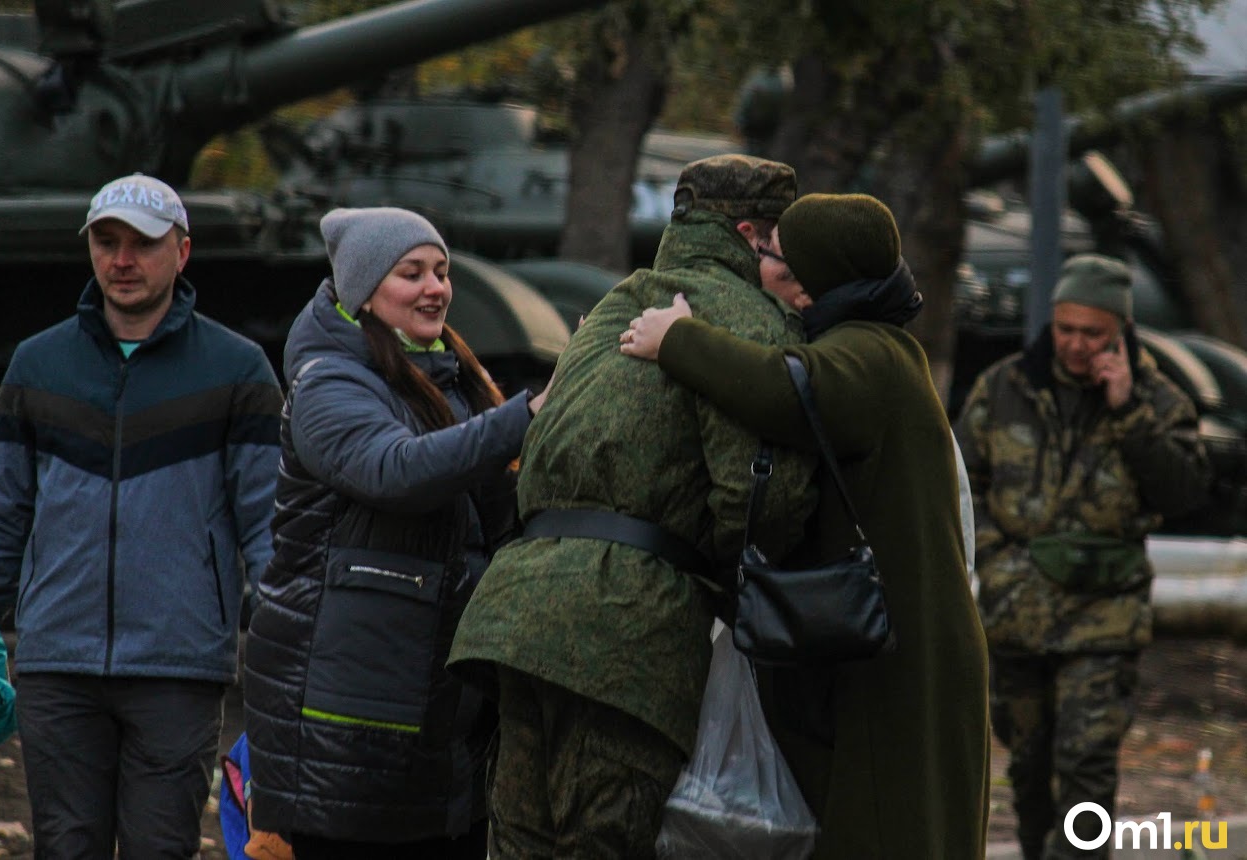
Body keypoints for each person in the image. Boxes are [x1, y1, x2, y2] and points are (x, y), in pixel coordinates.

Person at [447, 154, 819, 859]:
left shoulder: (609, 310)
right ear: (750, 233)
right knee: (602, 837)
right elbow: (760, 501)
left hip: (517, 612)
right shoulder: (749, 321)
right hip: (626, 627)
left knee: (523, 840)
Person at [621, 192, 991, 859]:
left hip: (893, 656)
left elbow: (789, 391)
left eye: (776, 255)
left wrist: (677, 338)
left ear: (817, 275)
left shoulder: (870, 354)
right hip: (893, 643)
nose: (764, 264)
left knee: (886, 826)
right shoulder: (881, 346)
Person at [0, 172, 283, 858]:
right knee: (65, 848)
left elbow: (269, 528)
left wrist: (290, 658)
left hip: (180, 668)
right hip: (58, 663)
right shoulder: (38, 364)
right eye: (107, 242)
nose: (123, 260)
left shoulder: (238, 369)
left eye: (143, 243)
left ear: (183, 252)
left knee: (159, 849)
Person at [243, 207, 548, 859]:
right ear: (363, 289)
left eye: (441, 271)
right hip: (347, 721)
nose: (435, 287)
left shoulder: (454, 378)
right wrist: (528, 414)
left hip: (437, 717)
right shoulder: (329, 380)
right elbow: (394, 470)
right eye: (411, 273)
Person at [954, 252, 1211, 859]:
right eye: (1065, 328)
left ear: (1120, 330)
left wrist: (1128, 412)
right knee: (1028, 765)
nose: (1074, 344)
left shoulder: (1158, 400)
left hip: (1103, 618)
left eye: (1091, 332)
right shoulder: (1005, 387)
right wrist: (998, 561)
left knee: (1086, 765)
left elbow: (1185, 493)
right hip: (1016, 616)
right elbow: (965, 487)